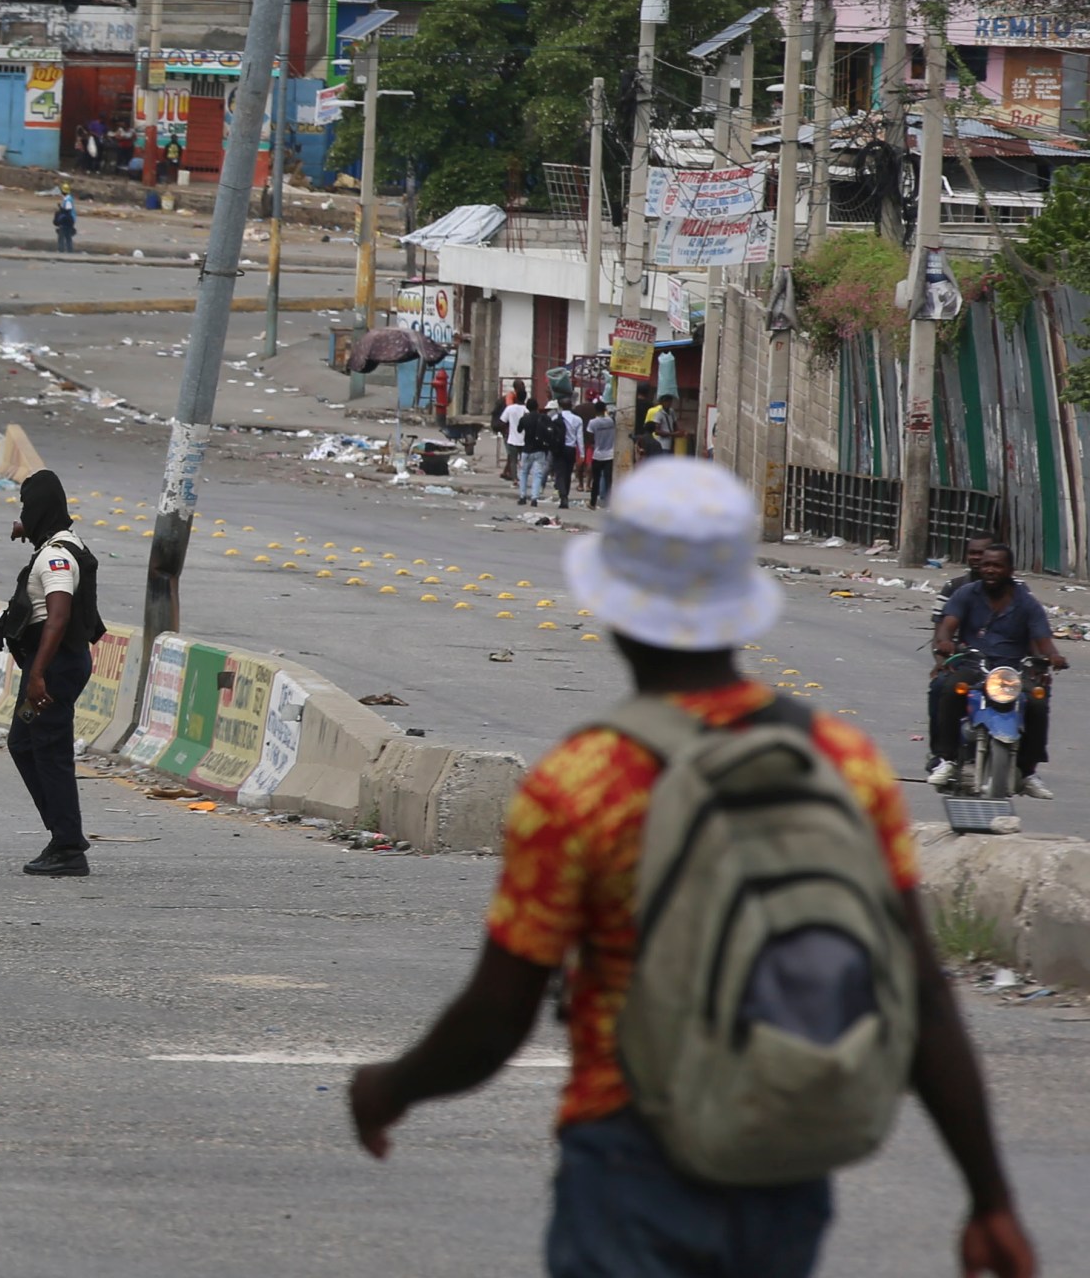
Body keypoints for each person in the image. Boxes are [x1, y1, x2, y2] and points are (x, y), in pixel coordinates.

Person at [347, 459, 1036, 1278]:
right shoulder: (840, 763)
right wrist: (989, 1197)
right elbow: (921, 993)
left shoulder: (581, 781)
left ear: (610, 605)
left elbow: (499, 1016)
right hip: (784, 1160)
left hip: (632, 1152)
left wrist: (392, 1088)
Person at [0, 470, 105, 878]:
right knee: (23, 743)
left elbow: (57, 616)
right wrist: (28, 528)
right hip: (51, 668)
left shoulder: (56, 557)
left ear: (40, 510)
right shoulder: (61, 543)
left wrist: (37, 675)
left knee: (50, 752)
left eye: (26, 507)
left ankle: (68, 847)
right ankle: (62, 835)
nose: (22, 514)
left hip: (53, 671)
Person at [930, 542, 1065, 797]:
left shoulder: (1026, 603)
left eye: (997, 566)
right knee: (949, 689)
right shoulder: (967, 593)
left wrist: (1054, 656)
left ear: (1010, 570)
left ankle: (1027, 771)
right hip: (974, 663)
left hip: (1012, 669)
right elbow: (948, 625)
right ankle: (946, 759)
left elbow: (1043, 639)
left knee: (1037, 701)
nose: (990, 570)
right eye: (986, 565)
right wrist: (945, 641)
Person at [516, 398, 560, 507]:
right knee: (538, 474)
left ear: (527, 407)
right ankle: (534, 498)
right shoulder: (543, 418)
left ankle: (522, 496)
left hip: (526, 450)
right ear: (537, 407)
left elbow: (519, 430)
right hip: (540, 450)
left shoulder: (525, 418)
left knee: (524, 473)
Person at [581, 400, 617, 510]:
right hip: (610, 454)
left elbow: (590, 437)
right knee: (608, 480)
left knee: (596, 480)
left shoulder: (593, 422)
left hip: (597, 454)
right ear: (605, 409)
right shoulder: (611, 421)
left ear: (595, 410)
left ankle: (593, 503)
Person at [551, 398, 585, 510]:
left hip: (558, 448)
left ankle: (563, 495)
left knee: (559, 473)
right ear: (571, 406)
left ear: (560, 406)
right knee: (568, 473)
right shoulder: (577, 419)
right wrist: (582, 453)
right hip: (571, 449)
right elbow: (579, 437)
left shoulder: (555, 418)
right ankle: (566, 493)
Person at [499, 383, 530, 483]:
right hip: (524, 439)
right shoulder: (527, 410)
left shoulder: (510, 409)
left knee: (513, 460)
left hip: (512, 438)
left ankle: (515, 478)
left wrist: (506, 431)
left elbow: (503, 421)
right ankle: (523, 477)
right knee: (524, 460)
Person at [53, 184, 78, 254]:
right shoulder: (68, 198)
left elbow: (68, 210)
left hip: (67, 220)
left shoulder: (68, 200)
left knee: (62, 235)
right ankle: (69, 250)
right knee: (67, 236)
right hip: (69, 220)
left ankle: (61, 250)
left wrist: (61, 209)